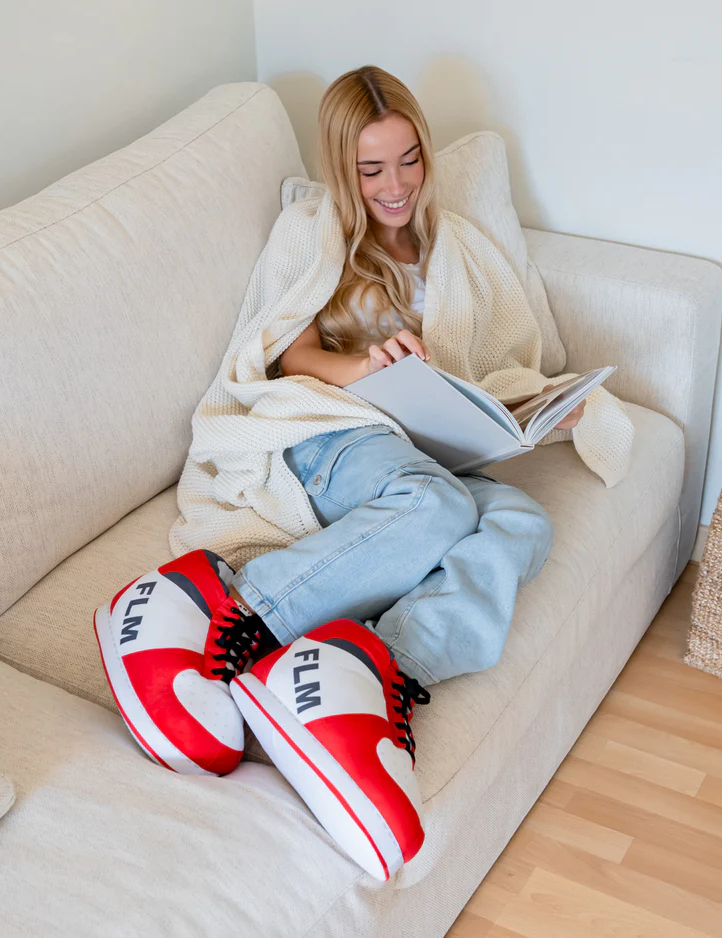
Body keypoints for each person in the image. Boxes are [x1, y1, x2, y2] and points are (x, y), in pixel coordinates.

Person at [220, 65, 580, 688]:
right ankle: (246, 613)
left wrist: (536, 404)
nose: (397, 185)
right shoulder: (309, 231)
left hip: (417, 449)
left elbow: (484, 362)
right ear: (341, 169)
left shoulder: (452, 243)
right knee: (436, 504)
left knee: (523, 521)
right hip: (335, 434)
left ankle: (379, 674)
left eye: (410, 160)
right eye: (372, 170)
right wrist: (364, 365)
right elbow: (286, 355)